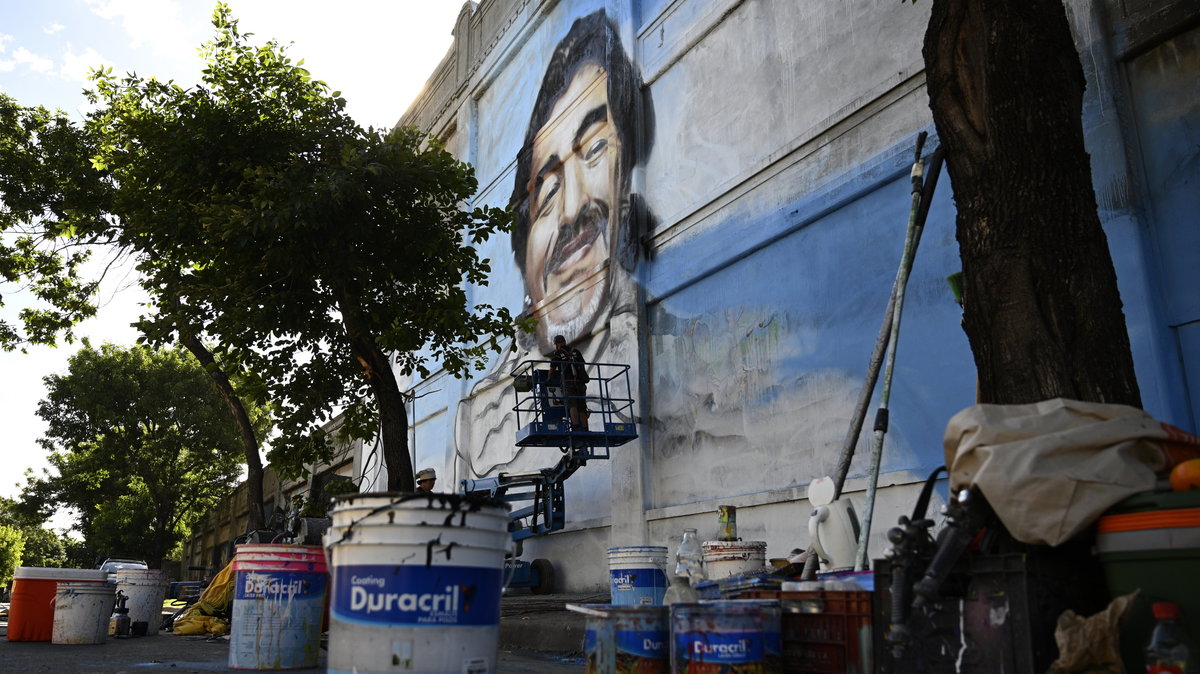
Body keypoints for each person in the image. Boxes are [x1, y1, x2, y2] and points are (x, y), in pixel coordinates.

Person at [509, 10, 653, 354]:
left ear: (624, 189)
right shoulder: (485, 408)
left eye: (594, 150)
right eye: (547, 193)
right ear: (523, 252)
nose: (571, 209)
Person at [548, 334, 589, 430]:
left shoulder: (558, 353)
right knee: (582, 407)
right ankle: (585, 427)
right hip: (580, 383)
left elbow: (552, 369)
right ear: (565, 341)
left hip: (568, 382)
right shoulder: (576, 351)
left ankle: (575, 426)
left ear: (557, 344)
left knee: (572, 405)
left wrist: (548, 379)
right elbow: (582, 365)